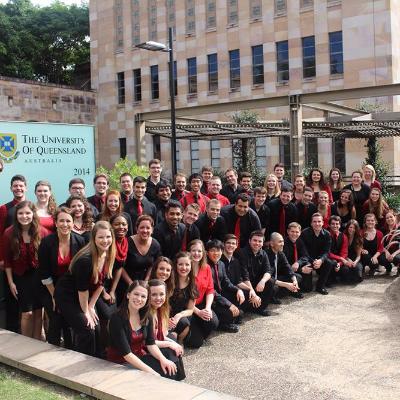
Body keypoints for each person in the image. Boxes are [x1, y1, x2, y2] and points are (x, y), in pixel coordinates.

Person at [54, 220, 116, 356]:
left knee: (97, 327)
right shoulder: (86, 260)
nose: (105, 240)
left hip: (85, 295)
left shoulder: (108, 255)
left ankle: (96, 358)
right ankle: (82, 362)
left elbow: (101, 284)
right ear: (94, 239)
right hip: (68, 296)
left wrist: (91, 306)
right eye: (101, 237)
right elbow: (82, 290)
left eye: (108, 236)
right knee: (87, 327)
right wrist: (86, 311)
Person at [107, 280, 178, 379]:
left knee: (168, 364)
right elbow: (127, 354)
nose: (139, 299)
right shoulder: (117, 319)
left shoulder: (146, 316)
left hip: (140, 356)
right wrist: (152, 372)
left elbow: (151, 344)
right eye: (136, 294)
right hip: (121, 363)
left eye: (143, 296)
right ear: (128, 295)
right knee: (160, 374)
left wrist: (163, 360)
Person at [38, 207, 86, 346]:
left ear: (73, 222)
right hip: (50, 287)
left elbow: (82, 270)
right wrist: (55, 296)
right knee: (56, 319)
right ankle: (52, 350)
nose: (65, 224)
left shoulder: (81, 241)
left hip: (71, 288)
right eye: (61, 221)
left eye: (68, 221)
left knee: (69, 322)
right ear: (56, 222)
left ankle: (70, 350)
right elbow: (44, 272)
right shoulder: (47, 242)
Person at [4, 201, 49, 339]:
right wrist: (11, 282)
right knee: (27, 313)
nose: (24, 216)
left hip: (39, 278)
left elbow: (46, 259)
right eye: (21, 213)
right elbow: (7, 261)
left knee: (38, 312)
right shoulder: (9, 233)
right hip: (21, 278)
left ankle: (36, 344)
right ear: (16, 215)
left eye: (28, 213)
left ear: (33, 214)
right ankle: (25, 343)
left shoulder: (43, 232)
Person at [0, 174, 28, 332]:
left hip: (27, 263)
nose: (18, 188)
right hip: (9, 262)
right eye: (15, 186)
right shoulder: (5, 209)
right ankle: (12, 331)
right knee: (11, 298)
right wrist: (1, 259)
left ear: (26, 187)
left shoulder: (30, 207)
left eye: (21, 185)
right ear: (11, 188)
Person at [148, 279, 185, 380]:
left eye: (161, 294)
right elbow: (149, 342)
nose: (158, 298)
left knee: (174, 343)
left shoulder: (161, 309)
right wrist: (170, 344)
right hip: (144, 349)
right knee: (170, 351)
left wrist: (175, 344)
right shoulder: (147, 314)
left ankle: (177, 379)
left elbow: (161, 335)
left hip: (153, 344)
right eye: (154, 294)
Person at [185, 240, 219, 348]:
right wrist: (198, 312)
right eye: (193, 251)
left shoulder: (206, 268)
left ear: (203, 253)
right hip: (188, 307)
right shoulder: (184, 269)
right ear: (188, 252)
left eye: (199, 251)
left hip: (201, 304)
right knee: (196, 343)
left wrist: (208, 308)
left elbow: (210, 289)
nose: (196, 253)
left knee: (213, 322)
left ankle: (197, 330)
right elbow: (183, 298)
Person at [206, 240, 244, 333]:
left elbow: (226, 282)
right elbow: (211, 291)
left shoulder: (221, 264)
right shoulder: (205, 266)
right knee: (231, 313)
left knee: (240, 312)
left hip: (221, 296)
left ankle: (227, 319)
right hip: (210, 300)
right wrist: (228, 304)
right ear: (207, 253)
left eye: (218, 250)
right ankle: (223, 325)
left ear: (222, 252)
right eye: (213, 250)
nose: (216, 253)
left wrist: (238, 290)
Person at [236, 230, 275, 316]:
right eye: (255, 240)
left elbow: (268, 271)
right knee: (245, 293)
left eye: (260, 241)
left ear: (262, 243)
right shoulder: (241, 253)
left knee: (270, 281)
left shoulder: (263, 253)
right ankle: (247, 308)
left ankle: (260, 308)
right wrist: (252, 292)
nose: (257, 243)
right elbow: (244, 275)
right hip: (244, 284)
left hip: (257, 284)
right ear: (250, 241)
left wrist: (263, 281)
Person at [300, 213, 334, 295]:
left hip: (319, 260)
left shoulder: (327, 234)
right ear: (311, 223)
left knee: (329, 263)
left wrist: (320, 260)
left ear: (323, 223)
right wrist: (313, 261)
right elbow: (303, 251)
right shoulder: (304, 233)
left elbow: (327, 251)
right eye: (314, 222)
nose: (317, 224)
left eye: (319, 221)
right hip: (307, 260)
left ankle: (320, 286)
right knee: (307, 289)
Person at [169, 251, 198, 344]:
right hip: (166, 316)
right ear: (175, 265)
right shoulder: (169, 280)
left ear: (191, 266)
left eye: (187, 264)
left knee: (197, 342)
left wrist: (179, 315)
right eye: (180, 264)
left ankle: (180, 341)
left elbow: (190, 309)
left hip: (182, 316)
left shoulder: (193, 283)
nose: (184, 268)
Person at [123, 215, 161, 284]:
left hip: (146, 282)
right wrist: (131, 283)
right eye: (142, 227)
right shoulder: (127, 243)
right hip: (127, 282)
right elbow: (121, 267)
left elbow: (153, 265)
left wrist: (146, 280)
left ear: (152, 230)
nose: (145, 230)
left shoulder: (156, 245)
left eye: (148, 228)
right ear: (137, 229)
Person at [266, 232, 302, 299]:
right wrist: (286, 285)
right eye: (280, 242)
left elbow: (287, 267)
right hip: (269, 281)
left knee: (297, 277)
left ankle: (277, 296)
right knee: (273, 287)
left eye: (283, 241)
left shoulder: (280, 253)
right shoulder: (266, 255)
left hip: (278, 278)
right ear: (272, 244)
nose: (282, 244)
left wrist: (294, 280)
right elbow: (268, 276)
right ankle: (272, 297)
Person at [283, 222, 313, 292]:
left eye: (297, 232)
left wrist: (298, 263)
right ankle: (294, 290)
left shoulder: (299, 241)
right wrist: (300, 269)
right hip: (287, 269)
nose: (294, 234)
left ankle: (303, 287)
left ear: (300, 233)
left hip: (296, 265)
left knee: (308, 264)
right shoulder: (283, 243)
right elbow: (284, 264)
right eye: (292, 231)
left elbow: (306, 256)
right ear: (288, 232)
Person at [110, 213, 130, 304]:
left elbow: (119, 267)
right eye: (117, 224)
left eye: (124, 224)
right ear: (111, 226)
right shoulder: (108, 243)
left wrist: (112, 290)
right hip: (100, 284)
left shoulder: (125, 242)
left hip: (115, 282)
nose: (121, 227)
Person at [326, 215, 349, 285]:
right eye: (333, 224)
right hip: (328, 259)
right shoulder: (326, 235)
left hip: (339, 260)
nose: (335, 226)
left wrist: (340, 263)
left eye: (337, 224)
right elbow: (327, 252)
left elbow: (344, 252)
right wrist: (341, 259)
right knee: (332, 263)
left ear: (340, 225)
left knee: (346, 270)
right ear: (329, 225)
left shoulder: (344, 236)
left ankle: (336, 276)